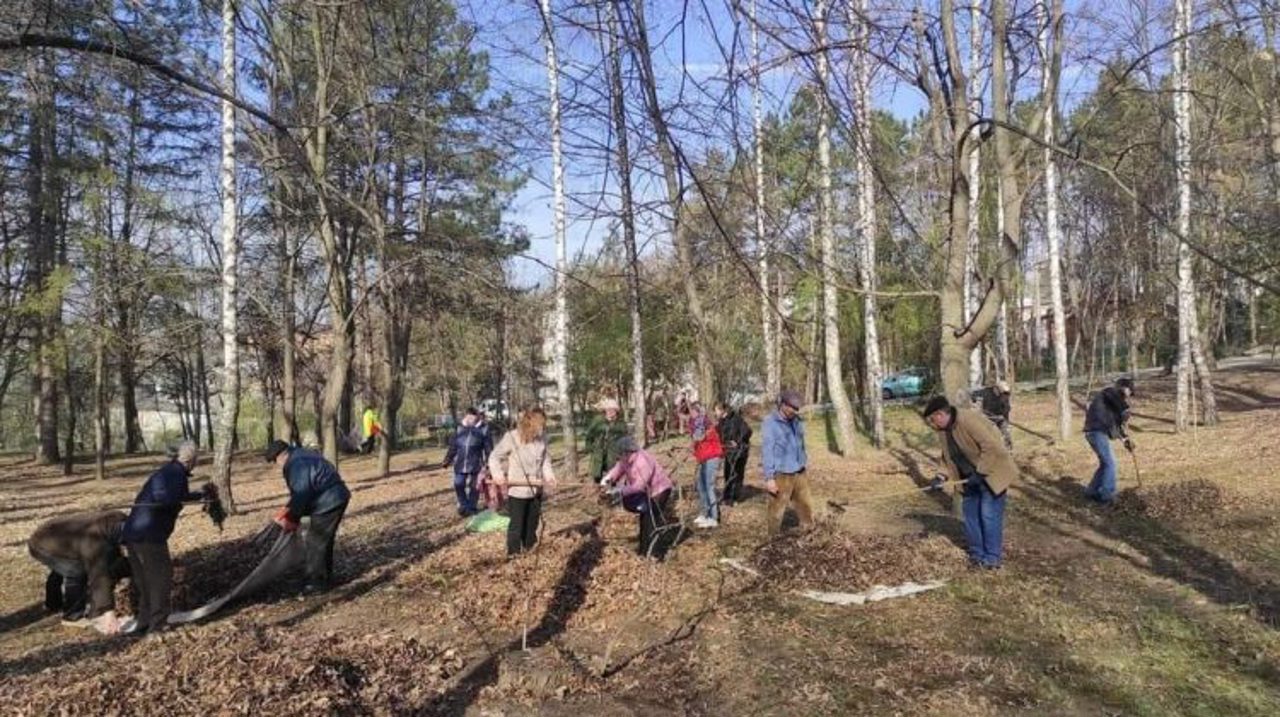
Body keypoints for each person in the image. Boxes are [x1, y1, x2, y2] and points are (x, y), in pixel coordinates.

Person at [121, 441, 211, 635]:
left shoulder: (167, 472)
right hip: (149, 535)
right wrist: (178, 499)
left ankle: (144, 622)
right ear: (190, 459)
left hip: (132, 533)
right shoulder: (175, 474)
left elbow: (176, 495)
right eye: (196, 459)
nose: (197, 462)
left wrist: (199, 496)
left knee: (144, 580)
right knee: (160, 579)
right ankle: (157, 626)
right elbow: (165, 497)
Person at [922, 396, 1018, 569]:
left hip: (992, 473)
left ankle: (992, 559)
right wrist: (941, 476)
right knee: (971, 517)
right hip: (967, 479)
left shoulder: (968, 420)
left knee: (988, 515)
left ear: (941, 414)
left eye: (932, 419)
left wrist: (980, 472)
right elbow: (948, 456)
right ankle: (977, 555)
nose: (931, 424)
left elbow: (991, 446)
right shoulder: (943, 431)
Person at [264, 439, 352, 593]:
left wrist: (292, 519)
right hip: (335, 496)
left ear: (281, 456)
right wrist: (287, 511)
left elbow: (302, 494)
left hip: (329, 500)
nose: (276, 465)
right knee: (324, 539)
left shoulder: (296, 464)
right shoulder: (301, 454)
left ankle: (316, 583)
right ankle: (324, 577)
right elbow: (303, 492)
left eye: (275, 461)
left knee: (315, 540)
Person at [28, 510, 130, 634]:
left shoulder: (118, 520)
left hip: (58, 537)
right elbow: (99, 577)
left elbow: (112, 554)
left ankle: (52, 604)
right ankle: (72, 617)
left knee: (63, 566)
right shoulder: (94, 542)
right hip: (41, 544)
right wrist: (109, 614)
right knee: (76, 571)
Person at [488, 407, 557, 556]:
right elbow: (494, 457)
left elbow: (545, 460)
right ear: (530, 423)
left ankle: (529, 548)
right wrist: (498, 475)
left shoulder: (543, 439)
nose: (542, 428)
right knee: (517, 525)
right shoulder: (512, 437)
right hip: (518, 490)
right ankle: (513, 553)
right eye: (540, 424)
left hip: (536, 488)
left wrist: (549, 476)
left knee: (532, 523)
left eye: (543, 425)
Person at [600, 436, 675, 558]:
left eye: (620, 454)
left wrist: (619, 491)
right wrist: (607, 479)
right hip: (648, 492)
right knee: (644, 519)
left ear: (628, 452)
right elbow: (618, 469)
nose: (619, 457)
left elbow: (639, 485)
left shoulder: (642, 461)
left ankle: (655, 554)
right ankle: (643, 550)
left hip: (660, 491)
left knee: (651, 521)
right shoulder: (626, 460)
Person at [761, 389, 813, 535]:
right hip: (781, 473)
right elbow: (767, 451)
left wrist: (803, 460)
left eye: (797, 408)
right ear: (783, 405)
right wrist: (769, 478)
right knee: (776, 511)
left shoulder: (797, 421)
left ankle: (809, 534)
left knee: (805, 506)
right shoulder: (770, 423)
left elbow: (800, 443)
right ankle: (772, 540)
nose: (795, 411)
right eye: (792, 408)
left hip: (799, 470)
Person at [1082, 377, 1135, 504]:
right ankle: (1107, 495)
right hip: (1096, 432)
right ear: (1123, 387)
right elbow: (1116, 400)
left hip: (1096, 433)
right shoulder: (1109, 392)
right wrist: (1125, 409)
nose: (1129, 396)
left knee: (1105, 464)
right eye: (1129, 391)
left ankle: (1092, 491)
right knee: (1111, 463)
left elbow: (1116, 426)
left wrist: (1126, 440)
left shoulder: (1113, 405)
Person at [442, 408, 493, 516]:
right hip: (460, 463)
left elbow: (488, 448)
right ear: (466, 416)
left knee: (475, 486)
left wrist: (489, 463)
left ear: (477, 417)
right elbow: (453, 446)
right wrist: (447, 459)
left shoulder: (483, 430)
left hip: (476, 463)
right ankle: (464, 504)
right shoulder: (459, 428)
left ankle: (471, 507)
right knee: (458, 484)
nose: (470, 419)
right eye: (468, 417)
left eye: (473, 417)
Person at [689, 402, 724, 529]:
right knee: (701, 486)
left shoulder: (704, 423)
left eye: (694, 411)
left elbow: (699, 437)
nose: (691, 414)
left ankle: (713, 517)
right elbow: (695, 440)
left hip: (712, 457)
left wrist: (694, 440)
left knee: (709, 486)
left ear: (699, 412)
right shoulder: (694, 423)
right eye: (690, 412)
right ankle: (704, 513)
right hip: (703, 457)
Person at [715, 401, 753, 506]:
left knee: (737, 474)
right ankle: (727, 496)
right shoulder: (721, 421)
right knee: (728, 473)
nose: (716, 413)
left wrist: (738, 441)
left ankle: (735, 498)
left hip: (740, 452)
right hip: (729, 452)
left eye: (717, 410)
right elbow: (718, 434)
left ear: (723, 410)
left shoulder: (736, 419)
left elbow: (748, 431)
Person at [585, 398, 629, 484]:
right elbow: (589, 434)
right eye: (608, 409)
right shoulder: (598, 420)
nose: (610, 411)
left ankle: (611, 493)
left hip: (613, 454)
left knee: (612, 475)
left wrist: (622, 453)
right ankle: (597, 492)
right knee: (597, 475)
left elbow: (625, 439)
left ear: (616, 411)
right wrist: (590, 448)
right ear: (605, 410)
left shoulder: (621, 423)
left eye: (613, 409)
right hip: (598, 453)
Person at [972, 380, 1014, 449]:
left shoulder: (1005, 398)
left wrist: (1006, 421)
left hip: (1000, 419)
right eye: (1003, 393)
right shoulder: (985, 393)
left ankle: (1008, 450)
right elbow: (971, 397)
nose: (1005, 396)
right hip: (987, 418)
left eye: (1006, 394)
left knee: (1007, 433)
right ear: (996, 390)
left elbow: (1006, 411)